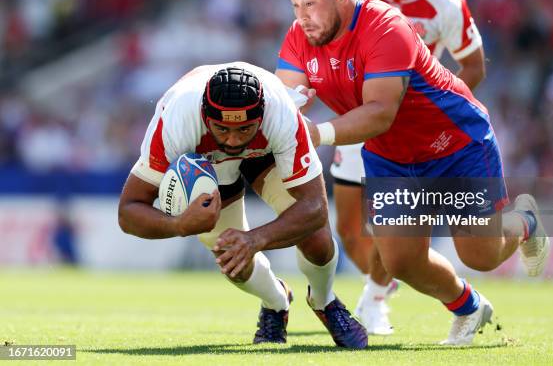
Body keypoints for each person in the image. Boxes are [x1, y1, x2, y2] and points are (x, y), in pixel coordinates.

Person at [276, 0, 549, 345]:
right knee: (400, 261)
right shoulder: (300, 35)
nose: (302, 15)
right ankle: (470, 309)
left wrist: (314, 135)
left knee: (480, 256)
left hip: (456, 143)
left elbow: (379, 114)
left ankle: (526, 222)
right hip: (392, 156)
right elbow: (284, 98)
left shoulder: (385, 26)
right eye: (296, 4)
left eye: (310, 2)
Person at [118, 63, 367, 348]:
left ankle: (325, 301)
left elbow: (315, 208)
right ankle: (276, 302)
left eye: (244, 128)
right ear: (204, 116)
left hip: (266, 149)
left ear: (261, 116)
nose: (233, 140)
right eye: (222, 128)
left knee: (317, 237)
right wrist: (178, 225)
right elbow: (128, 212)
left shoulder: (281, 113)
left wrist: (256, 239)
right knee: (231, 258)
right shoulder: (177, 119)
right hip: (208, 163)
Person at [331, 0, 486, 335]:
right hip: (359, 118)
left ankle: (375, 297)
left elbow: (472, 65)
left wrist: (437, 111)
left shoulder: (445, 2)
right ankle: (381, 283)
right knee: (348, 228)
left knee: (390, 229)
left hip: (409, 133)